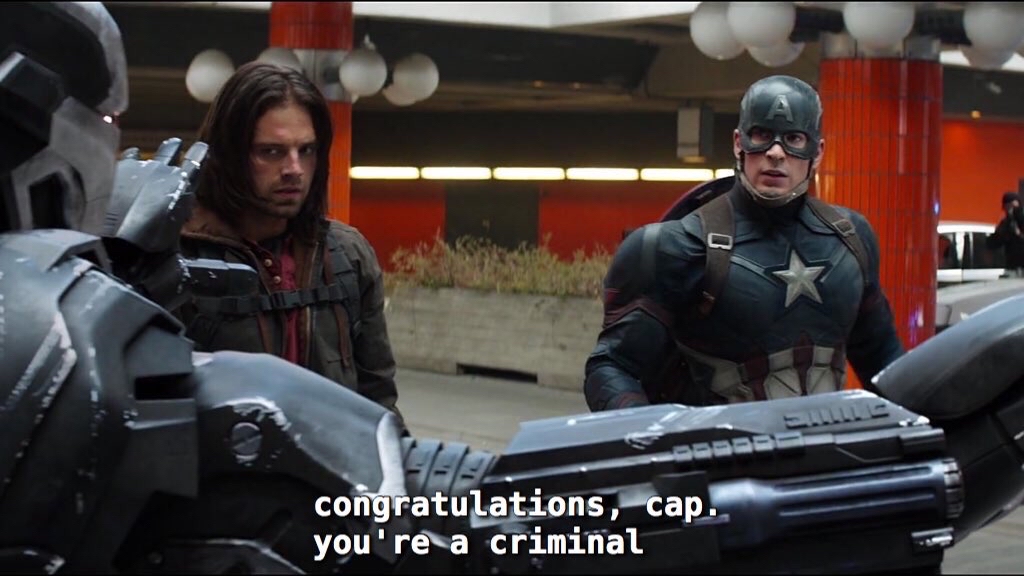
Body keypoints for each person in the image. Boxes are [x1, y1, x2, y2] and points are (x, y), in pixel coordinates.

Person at [584, 75, 905, 411]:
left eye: (794, 139)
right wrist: (655, 435)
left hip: (825, 443)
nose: (776, 153)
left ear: (818, 151)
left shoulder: (850, 238)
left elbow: (883, 360)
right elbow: (612, 367)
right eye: (762, 135)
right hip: (717, 443)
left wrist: (923, 425)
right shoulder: (674, 247)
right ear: (739, 142)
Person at [173, 61, 403, 418]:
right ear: (229, 155)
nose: (294, 169)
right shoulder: (174, 260)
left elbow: (379, 402)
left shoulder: (347, 255)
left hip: (331, 451)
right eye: (271, 151)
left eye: (306, 150)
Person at [986, 191, 1024, 277]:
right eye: (1008, 207)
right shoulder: (1005, 223)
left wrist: (1019, 234)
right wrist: (1004, 232)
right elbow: (992, 243)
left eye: (1014, 207)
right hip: (1012, 268)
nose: (1011, 210)